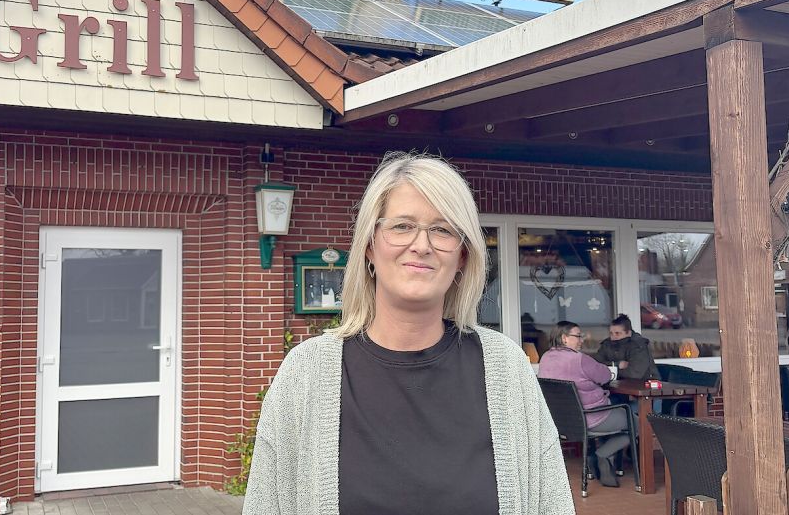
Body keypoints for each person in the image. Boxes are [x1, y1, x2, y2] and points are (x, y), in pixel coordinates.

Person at [243, 153, 574, 515]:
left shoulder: (507, 368)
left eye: (443, 230)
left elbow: (553, 503)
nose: (422, 245)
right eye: (402, 226)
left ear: (462, 257)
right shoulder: (305, 373)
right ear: (370, 246)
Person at [539, 321, 631, 488]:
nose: (581, 340)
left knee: (621, 411)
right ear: (564, 338)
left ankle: (596, 460)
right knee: (640, 424)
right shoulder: (579, 359)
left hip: (562, 422)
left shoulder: (545, 358)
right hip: (592, 417)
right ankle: (602, 454)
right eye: (578, 336)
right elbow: (605, 376)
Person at [592, 314, 661, 381]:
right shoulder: (607, 344)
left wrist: (608, 372)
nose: (613, 337)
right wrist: (616, 364)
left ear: (628, 332)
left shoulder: (639, 346)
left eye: (617, 333)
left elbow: (634, 374)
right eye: (611, 333)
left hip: (645, 384)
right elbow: (594, 365)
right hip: (616, 384)